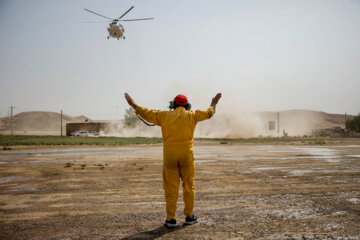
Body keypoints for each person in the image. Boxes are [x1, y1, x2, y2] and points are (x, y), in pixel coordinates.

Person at [124, 92, 222, 228]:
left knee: (171, 187)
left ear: (173, 105)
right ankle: (189, 216)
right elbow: (209, 113)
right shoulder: (193, 115)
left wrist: (133, 104)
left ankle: (170, 219)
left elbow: (147, 113)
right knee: (189, 186)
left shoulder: (164, 116)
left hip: (170, 156)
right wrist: (214, 103)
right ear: (187, 106)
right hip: (187, 156)